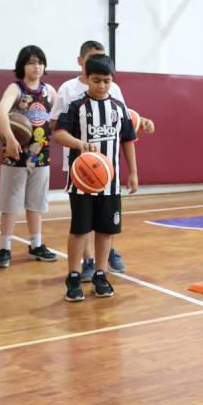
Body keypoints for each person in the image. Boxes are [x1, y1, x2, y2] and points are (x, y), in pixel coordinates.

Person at [49, 40, 155, 279]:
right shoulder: (75, 104)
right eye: (97, 80)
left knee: (106, 229)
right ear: (86, 77)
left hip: (110, 180)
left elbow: (128, 138)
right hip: (82, 176)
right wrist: (79, 143)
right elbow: (58, 132)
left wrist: (133, 172)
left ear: (112, 80)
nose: (102, 85)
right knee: (80, 228)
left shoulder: (118, 106)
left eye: (107, 81)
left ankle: (100, 272)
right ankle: (76, 274)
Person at [0, 46, 58, 268]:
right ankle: (4, 248)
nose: (36, 66)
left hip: (41, 155)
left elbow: (60, 115)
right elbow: (0, 112)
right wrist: (10, 139)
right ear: (22, 65)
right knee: (10, 204)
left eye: (40, 62)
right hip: (15, 155)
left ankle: (35, 245)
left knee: (36, 204)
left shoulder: (49, 90)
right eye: (31, 62)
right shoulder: (16, 88)